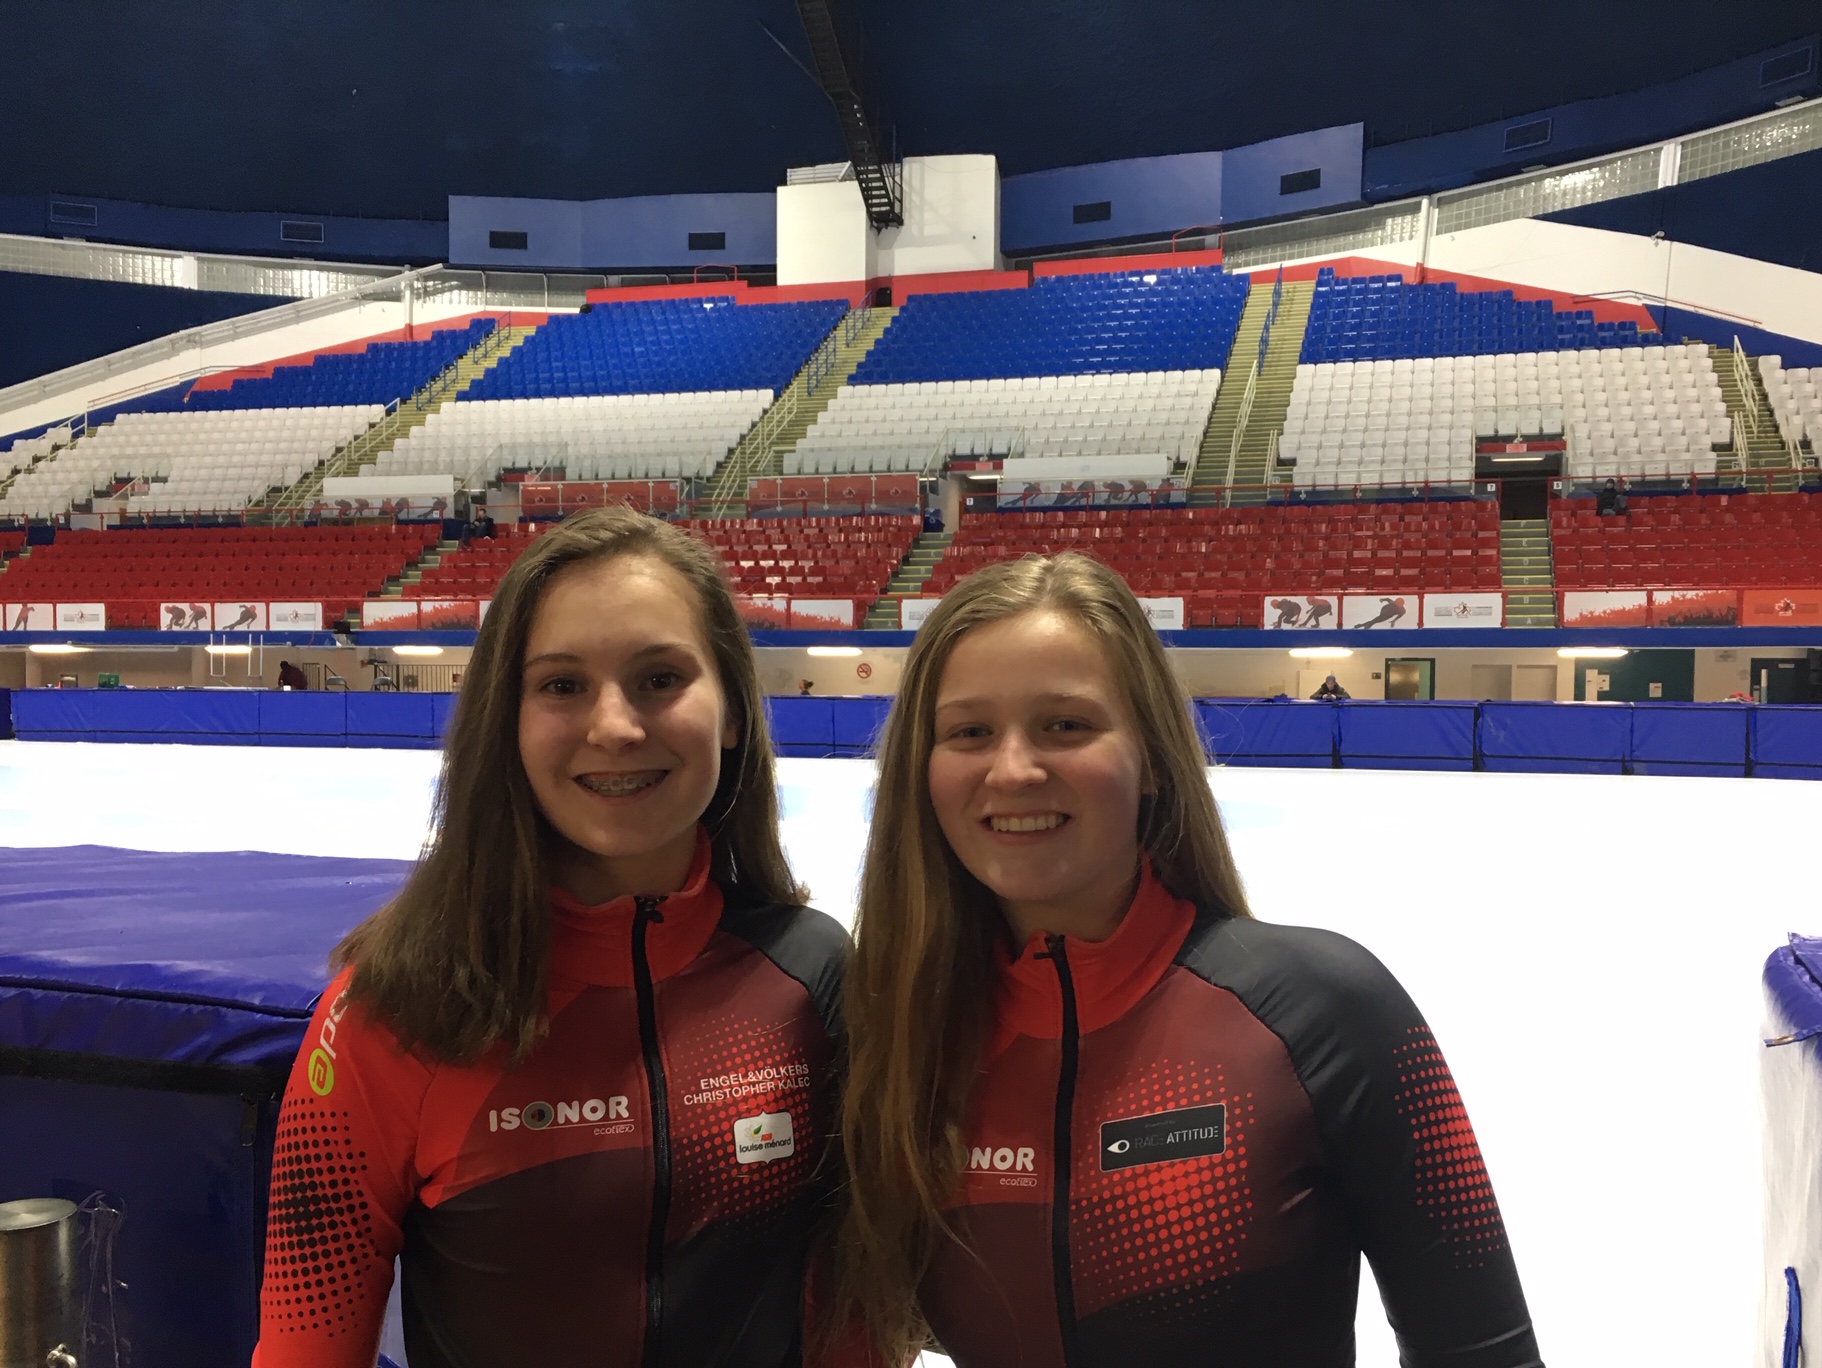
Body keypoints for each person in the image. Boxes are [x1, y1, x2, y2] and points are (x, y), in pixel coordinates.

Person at [827, 553, 1539, 1368]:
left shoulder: (1322, 1014)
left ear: (1156, 757)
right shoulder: (894, 1041)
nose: (1014, 768)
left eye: (1066, 724)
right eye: (969, 732)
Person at [254, 508, 850, 1368]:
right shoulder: (393, 1012)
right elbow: (305, 1352)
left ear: (730, 711)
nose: (614, 726)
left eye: (660, 678)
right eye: (563, 685)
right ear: (511, 718)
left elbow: (852, 1319)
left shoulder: (814, 976)